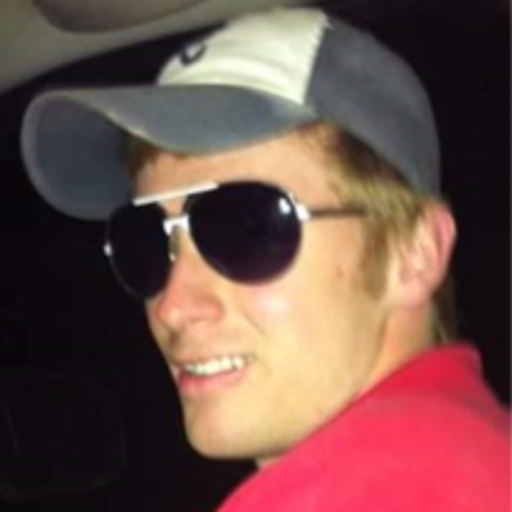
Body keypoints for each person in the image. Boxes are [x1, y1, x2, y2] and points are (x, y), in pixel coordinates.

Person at [21, 7, 511, 511]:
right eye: (143, 240)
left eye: (245, 230)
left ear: (415, 252)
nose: (173, 306)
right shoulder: (469, 455)